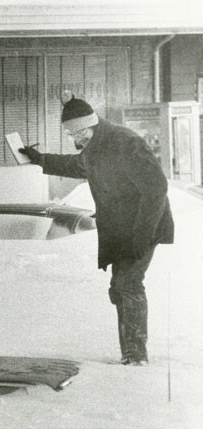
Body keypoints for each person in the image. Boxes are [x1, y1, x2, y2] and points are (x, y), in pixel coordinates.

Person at [19, 91, 174, 366]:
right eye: (71, 134)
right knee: (119, 287)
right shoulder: (94, 147)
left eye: (77, 133)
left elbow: (156, 189)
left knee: (128, 283)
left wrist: (142, 236)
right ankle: (131, 352)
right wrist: (41, 159)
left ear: (90, 126)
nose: (75, 140)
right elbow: (77, 165)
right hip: (120, 228)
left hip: (143, 224)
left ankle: (135, 355)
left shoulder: (126, 142)